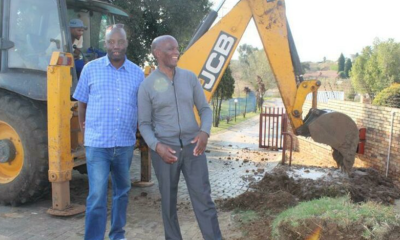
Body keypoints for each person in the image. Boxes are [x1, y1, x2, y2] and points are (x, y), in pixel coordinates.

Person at [138, 35, 222, 240]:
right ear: (157, 53)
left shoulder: (190, 78)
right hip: (166, 151)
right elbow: (144, 124)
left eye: (177, 48)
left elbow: (204, 109)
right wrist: (157, 147)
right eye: (170, 49)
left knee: (203, 198)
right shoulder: (147, 86)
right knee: (168, 202)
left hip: (194, 148)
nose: (176, 52)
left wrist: (204, 132)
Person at [73, 24, 144, 240]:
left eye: (120, 42)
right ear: (105, 44)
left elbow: (141, 107)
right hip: (98, 145)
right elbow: (81, 104)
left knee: (122, 192)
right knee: (97, 196)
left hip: (124, 144)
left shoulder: (137, 73)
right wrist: (85, 128)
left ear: (126, 44)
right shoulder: (90, 69)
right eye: (111, 42)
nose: (116, 46)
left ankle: (117, 236)